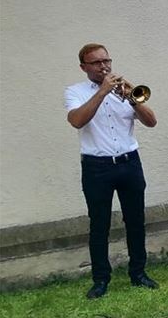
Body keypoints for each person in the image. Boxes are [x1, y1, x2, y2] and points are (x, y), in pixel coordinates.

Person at [66, 43, 159, 299]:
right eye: (96, 62)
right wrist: (102, 92)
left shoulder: (125, 92)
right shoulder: (75, 92)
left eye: (106, 60)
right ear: (84, 67)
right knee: (99, 224)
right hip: (97, 167)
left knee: (136, 220)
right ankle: (100, 279)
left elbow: (151, 121)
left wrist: (132, 98)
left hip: (130, 163)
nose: (104, 66)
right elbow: (77, 120)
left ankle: (138, 273)